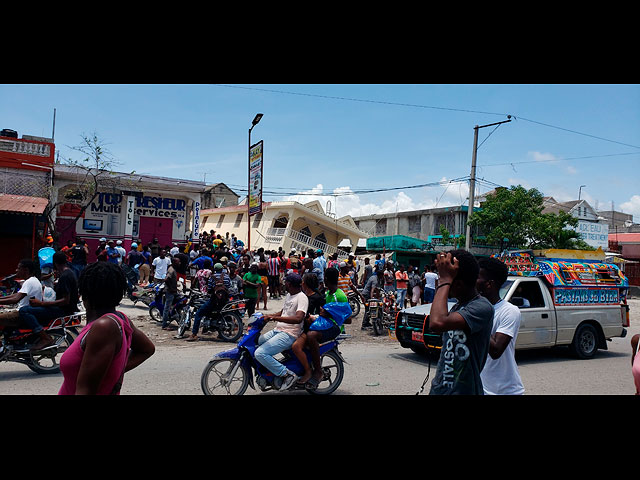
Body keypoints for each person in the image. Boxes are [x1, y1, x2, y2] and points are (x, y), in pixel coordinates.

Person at [58, 261, 155, 395]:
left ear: (84, 292)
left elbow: (86, 390)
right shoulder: (120, 318)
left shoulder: (104, 327)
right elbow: (146, 349)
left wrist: (113, 374)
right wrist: (111, 373)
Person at [428, 250, 494, 395]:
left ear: (458, 284)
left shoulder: (482, 307)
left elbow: (437, 323)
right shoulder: (458, 306)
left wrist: (444, 281)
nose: (441, 283)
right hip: (440, 390)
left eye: (445, 281)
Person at [477, 257, 525, 395]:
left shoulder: (509, 311)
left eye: (477, 277)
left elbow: (496, 350)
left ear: (489, 284)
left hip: (505, 391)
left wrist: (479, 315)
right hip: (479, 388)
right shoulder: (471, 309)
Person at [292, 268, 344, 388]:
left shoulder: (338, 296)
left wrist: (324, 315)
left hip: (331, 327)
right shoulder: (327, 294)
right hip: (319, 324)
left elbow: (347, 318)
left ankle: (316, 371)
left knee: (308, 338)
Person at [256, 273, 308, 391]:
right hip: (278, 330)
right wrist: (268, 316)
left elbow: (298, 318)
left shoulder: (301, 297)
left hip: (290, 334)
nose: (284, 284)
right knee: (256, 342)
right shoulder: (290, 295)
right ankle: (268, 371)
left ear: (289, 284)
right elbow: (283, 312)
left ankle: (287, 374)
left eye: (286, 282)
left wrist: (275, 318)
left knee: (260, 353)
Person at [19, 252, 79, 351]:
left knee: (24, 311)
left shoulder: (65, 276)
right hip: (63, 307)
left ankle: (45, 338)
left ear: (54, 262)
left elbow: (65, 300)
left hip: (63, 310)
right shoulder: (68, 273)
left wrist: (41, 303)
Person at [0, 259, 43, 329]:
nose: (16, 270)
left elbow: (15, 299)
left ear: (26, 270)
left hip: (21, 314)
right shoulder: (33, 280)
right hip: (24, 311)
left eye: (19, 268)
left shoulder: (29, 282)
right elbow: (16, 295)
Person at [161, 257, 180, 330]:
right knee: (167, 308)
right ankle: (164, 325)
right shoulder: (171, 270)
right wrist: (171, 288)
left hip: (173, 291)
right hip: (169, 292)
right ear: (174, 262)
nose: (179, 263)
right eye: (178, 262)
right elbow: (166, 279)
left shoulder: (173, 269)